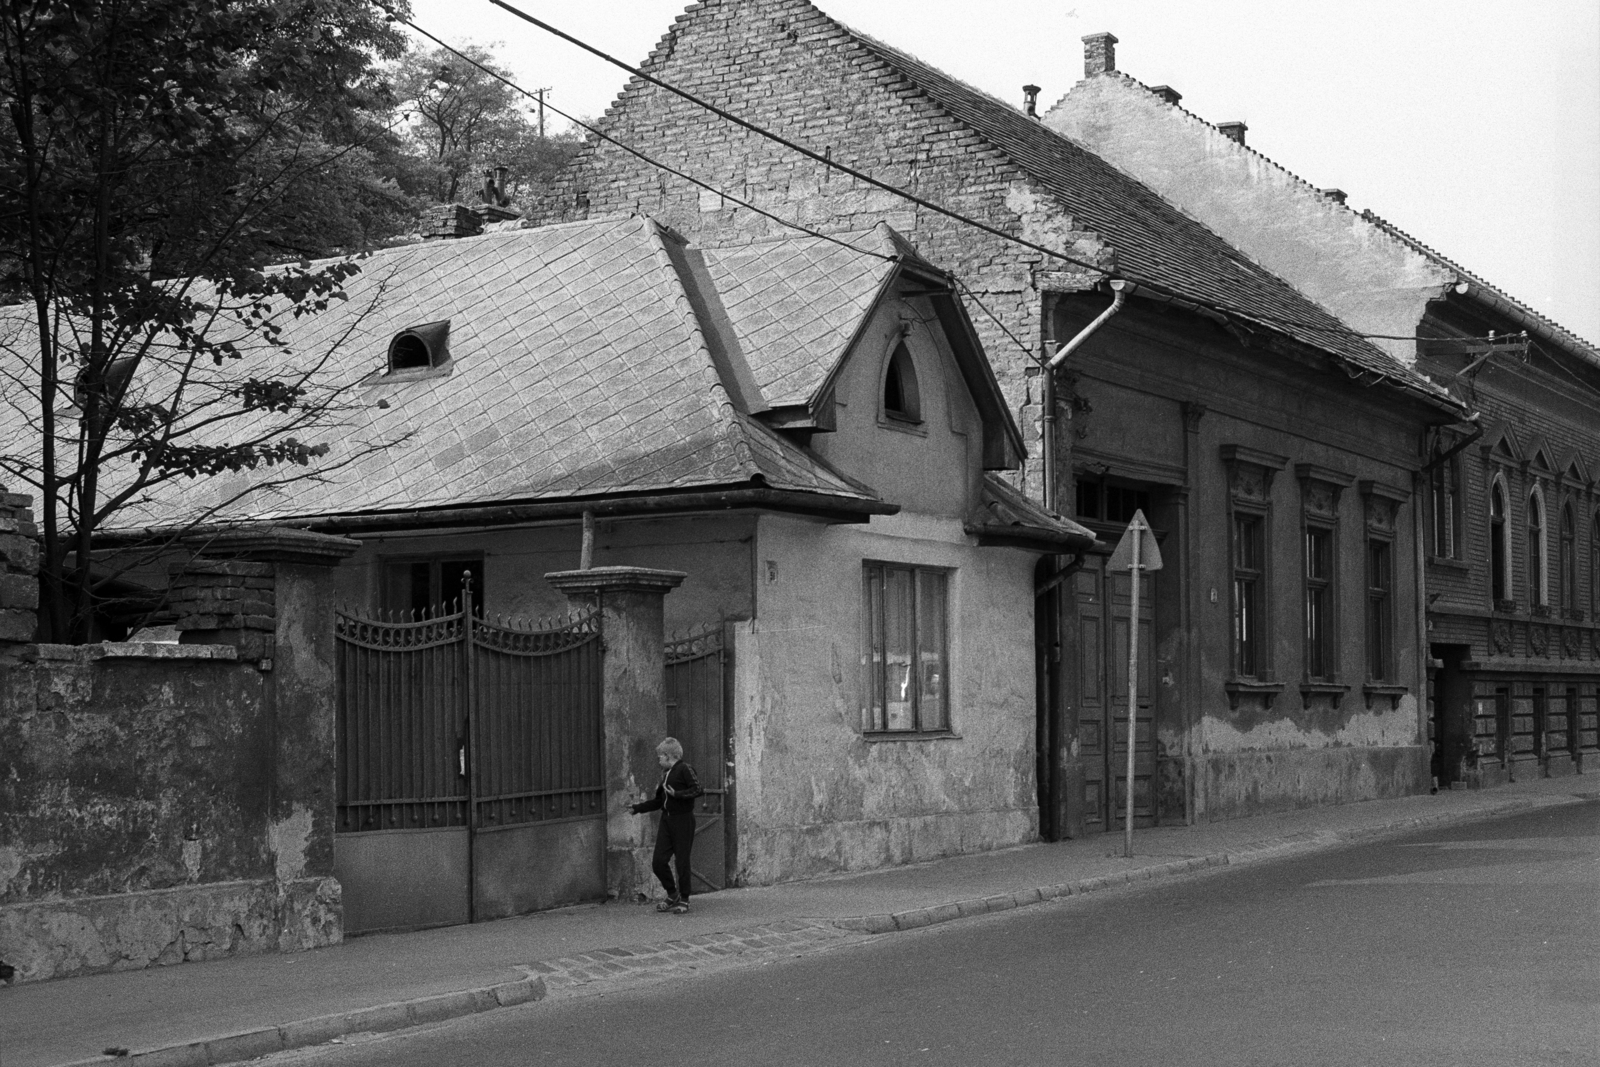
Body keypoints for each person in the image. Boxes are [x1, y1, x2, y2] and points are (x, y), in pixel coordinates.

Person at [630, 737, 703, 914]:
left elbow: (698, 789)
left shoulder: (685, 769)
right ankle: (672, 893)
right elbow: (658, 802)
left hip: (683, 820)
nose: (658, 760)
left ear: (668, 756)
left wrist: (677, 794)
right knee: (658, 862)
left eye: (660, 757)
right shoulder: (666, 775)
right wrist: (637, 808)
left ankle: (684, 899)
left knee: (682, 862)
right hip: (667, 821)